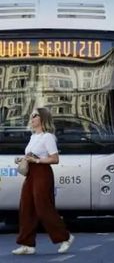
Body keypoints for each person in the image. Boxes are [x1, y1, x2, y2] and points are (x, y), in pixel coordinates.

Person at [12, 107, 74, 255]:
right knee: (26, 207)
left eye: (35, 116)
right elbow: (31, 156)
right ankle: (27, 244)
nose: (32, 118)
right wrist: (22, 159)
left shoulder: (48, 137)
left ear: (42, 119)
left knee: (43, 207)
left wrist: (37, 160)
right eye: (31, 116)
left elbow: (55, 158)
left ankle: (65, 237)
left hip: (42, 173)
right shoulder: (34, 137)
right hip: (31, 174)